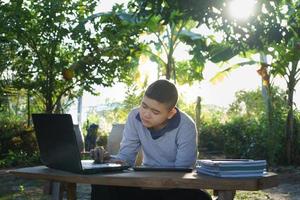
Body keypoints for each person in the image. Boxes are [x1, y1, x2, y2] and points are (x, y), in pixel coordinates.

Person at [91, 79, 212, 200]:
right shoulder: (134, 116)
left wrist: (157, 185)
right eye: (144, 106)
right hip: (144, 183)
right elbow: (126, 158)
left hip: (175, 188)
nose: (146, 114)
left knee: (200, 198)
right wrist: (107, 158)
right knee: (102, 185)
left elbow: (183, 172)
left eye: (155, 112)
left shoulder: (186, 125)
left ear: (171, 113)